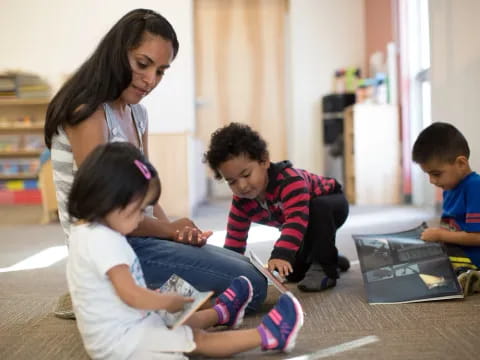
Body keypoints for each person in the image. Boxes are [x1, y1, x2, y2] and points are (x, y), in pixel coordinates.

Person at [44, 8, 267, 318]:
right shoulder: (89, 112)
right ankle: (104, 293)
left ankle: (122, 297)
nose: (150, 80)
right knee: (252, 286)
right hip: (112, 249)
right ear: (117, 53)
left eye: (161, 71)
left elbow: (145, 195)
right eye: (143, 64)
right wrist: (169, 231)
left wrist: (176, 228)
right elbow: (106, 210)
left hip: (140, 236)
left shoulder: (138, 114)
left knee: (246, 267)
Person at [67, 142, 304, 359]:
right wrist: (165, 300)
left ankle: (221, 312)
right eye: (138, 211)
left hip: (119, 326)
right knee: (197, 339)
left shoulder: (86, 231)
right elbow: (132, 295)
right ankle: (269, 334)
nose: (140, 219)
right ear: (111, 200)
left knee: (178, 321)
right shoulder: (105, 241)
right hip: (124, 343)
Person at [203, 122, 350, 292]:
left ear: (264, 161)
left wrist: (280, 254)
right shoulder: (241, 201)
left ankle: (326, 268)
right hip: (304, 223)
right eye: (232, 181)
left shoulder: (289, 181)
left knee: (317, 209)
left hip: (331, 204)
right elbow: (235, 240)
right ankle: (332, 257)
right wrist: (228, 272)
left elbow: (295, 221)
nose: (241, 186)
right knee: (293, 272)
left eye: (246, 174)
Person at [412, 122, 480, 295]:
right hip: (456, 248)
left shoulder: (475, 187)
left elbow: (477, 237)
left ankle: (470, 277)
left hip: (472, 254)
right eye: (428, 174)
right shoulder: (450, 187)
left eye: (436, 174)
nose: (432, 181)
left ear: (461, 163)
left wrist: (441, 235)